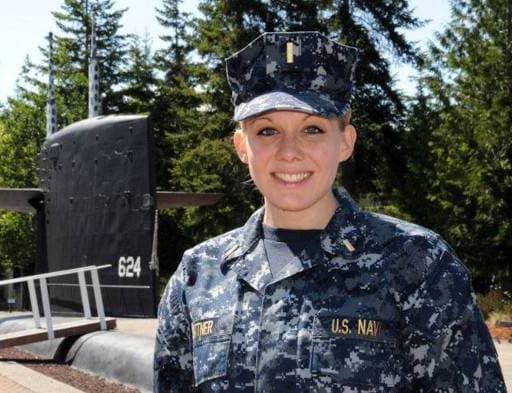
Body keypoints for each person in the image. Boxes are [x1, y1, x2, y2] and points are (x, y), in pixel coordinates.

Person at [154, 31, 506, 392]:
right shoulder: (199, 275)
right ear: (242, 146)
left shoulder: (417, 264)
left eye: (312, 129)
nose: (290, 151)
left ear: (346, 142)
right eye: (267, 130)